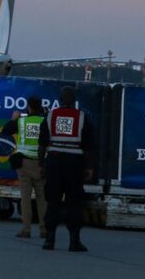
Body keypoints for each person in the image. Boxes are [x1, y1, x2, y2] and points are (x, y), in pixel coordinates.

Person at [38, 86, 93, 252]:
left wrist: (41, 164)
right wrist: (89, 167)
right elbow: (89, 146)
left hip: (54, 162)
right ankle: (74, 241)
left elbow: (42, 144)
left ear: (60, 100)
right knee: (74, 203)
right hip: (74, 164)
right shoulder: (82, 117)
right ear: (74, 100)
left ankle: (50, 240)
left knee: (52, 201)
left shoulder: (50, 116)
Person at [2, 96, 48, 239]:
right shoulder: (45, 122)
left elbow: (6, 131)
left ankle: (26, 229)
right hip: (41, 164)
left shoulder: (21, 121)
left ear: (28, 107)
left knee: (25, 198)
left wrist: (14, 118)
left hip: (24, 164)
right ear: (40, 107)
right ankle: (44, 229)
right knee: (42, 198)